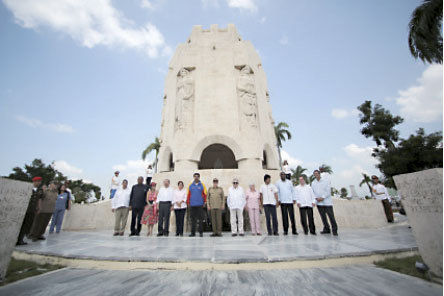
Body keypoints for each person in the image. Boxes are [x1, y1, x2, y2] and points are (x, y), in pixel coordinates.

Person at [17, 176, 44, 245]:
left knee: (27, 225)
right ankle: (16, 238)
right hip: (25, 209)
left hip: (32, 209)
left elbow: (39, 199)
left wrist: (39, 208)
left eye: (40, 181)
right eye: (38, 181)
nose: (39, 183)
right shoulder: (28, 188)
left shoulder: (40, 190)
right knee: (20, 224)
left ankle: (20, 239)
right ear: (34, 181)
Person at [312, 170, 338, 235]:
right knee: (323, 217)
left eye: (317, 173)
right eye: (315, 174)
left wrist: (323, 197)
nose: (316, 175)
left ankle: (334, 230)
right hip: (319, 203)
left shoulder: (326, 181)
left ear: (319, 174)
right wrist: (316, 198)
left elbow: (328, 190)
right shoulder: (313, 183)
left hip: (327, 202)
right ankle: (326, 229)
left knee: (331, 216)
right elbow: (313, 192)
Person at [187, 173, 207, 237]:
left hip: (200, 205)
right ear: (193, 177)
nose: (196, 177)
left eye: (197, 176)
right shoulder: (190, 185)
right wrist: (188, 203)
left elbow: (205, 194)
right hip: (192, 205)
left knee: (201, 219)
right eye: (195, 176)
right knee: (193, 219)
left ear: (199, 177)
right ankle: (193, 233)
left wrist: (205, 202)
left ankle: (201, 232)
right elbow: (188, 195)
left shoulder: (202, 185)